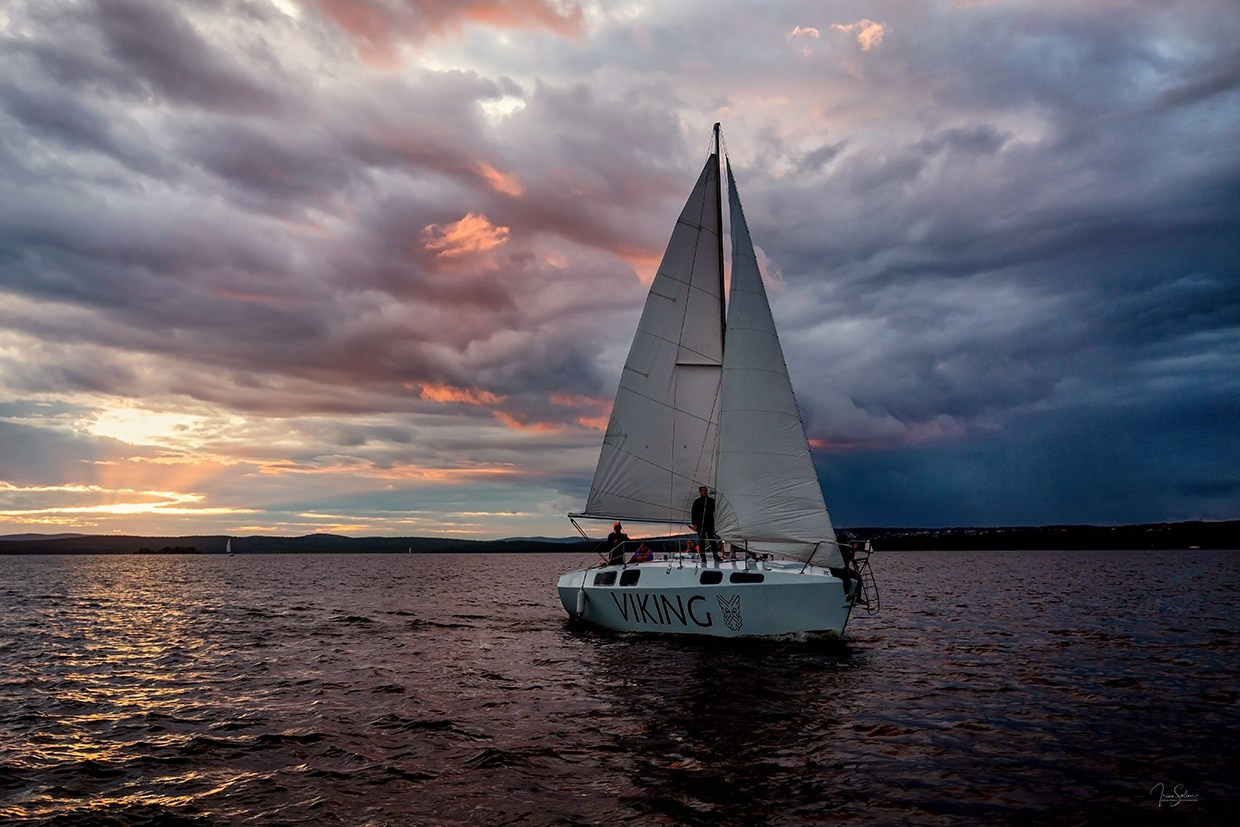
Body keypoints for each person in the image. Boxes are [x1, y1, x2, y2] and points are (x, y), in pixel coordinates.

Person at [690, 486, 722, 564]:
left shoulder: (711, 501)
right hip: (700, 524)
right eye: (703, 491)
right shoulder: (697, 502)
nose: (704, 492)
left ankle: (715, 556)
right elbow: (693, 513)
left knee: (712, 540)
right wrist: (694, 524)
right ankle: (703, 557)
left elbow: (717, 511)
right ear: (700, 492)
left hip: (710, 523)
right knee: (702, 541)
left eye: (705, 490)